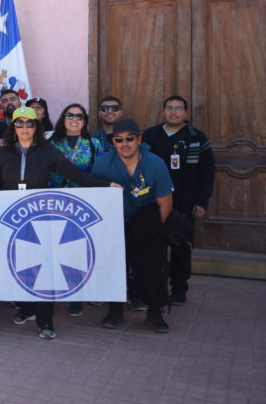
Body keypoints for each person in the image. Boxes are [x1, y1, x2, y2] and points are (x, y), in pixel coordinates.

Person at [0, 107, 114, 340]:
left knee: (40, 268)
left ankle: (45, 321)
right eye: (19, 124)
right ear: (14, 127)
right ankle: (27, 308)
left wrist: (106, 185)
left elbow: (74, 173)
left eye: (29, 124)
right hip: (12, 219)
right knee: (18, 265)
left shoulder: (48, 151)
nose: (25, 128)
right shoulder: (4, 153)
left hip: (39, 219)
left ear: (36, 127)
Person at [92, 119, 174, 333]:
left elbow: (165, 203)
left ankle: (155, 312)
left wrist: (152, 231)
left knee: (152, 267)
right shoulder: (102, 164)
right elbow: (95, 199)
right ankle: (115, 310)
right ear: (113, 142)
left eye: (130, 138)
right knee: (114, 267)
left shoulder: (155, 164)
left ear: (139, 139)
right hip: (113, 222)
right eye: (119, 140)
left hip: (146, 219)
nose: (125, 143)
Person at [142, 95, 215, 306]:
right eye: (169, 108)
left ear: (186, 112)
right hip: (154, 203)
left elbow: (207, 172)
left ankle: (179, 288)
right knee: (154, 248)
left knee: (181, 248)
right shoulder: (151, 135)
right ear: (163, 111)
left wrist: (202, 202)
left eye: (178, 109)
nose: (173, 112)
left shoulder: (197, 138)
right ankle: (156, 289)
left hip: (184, 203)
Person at [48, 103, 104, 316]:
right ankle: (53, 291)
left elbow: (99, 173)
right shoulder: (51, 143)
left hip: (82, 205)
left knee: (78, 250)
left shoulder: (94, 144)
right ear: (63, 118)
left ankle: (77, 296)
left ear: (85, 121)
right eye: (70, 115)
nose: (74, 119)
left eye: (79, 116)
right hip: (54, 202)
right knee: (55, 248)